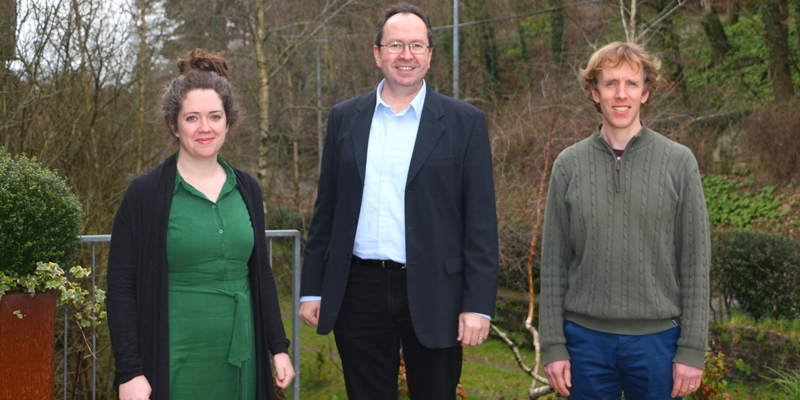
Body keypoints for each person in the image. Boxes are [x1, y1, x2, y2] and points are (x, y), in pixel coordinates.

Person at [298, 3, 499, 399]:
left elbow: (480, 222)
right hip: (359, 290)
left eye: (416, 45)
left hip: (436, 290)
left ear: (429, 55)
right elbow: (327, 210)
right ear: (377, 54)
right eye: (395, 45)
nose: (405, 55)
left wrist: (478, 304)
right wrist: (312, 288)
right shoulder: (344, 118)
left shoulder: (465, 123)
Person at [107, 49, 294, 400]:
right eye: (192, 118)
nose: (205, 128)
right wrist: (130, 371)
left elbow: (261, 275)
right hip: (175, 358)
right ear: (173, 125)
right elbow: (120, 287)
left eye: (214, 116)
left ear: (228, 122)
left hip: (242, 356)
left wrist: (278, 347)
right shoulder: (145, 194)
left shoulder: (248, 188)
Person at [539, 41, 710, 399]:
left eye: (631, 83)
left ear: (645, 92)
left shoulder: (679, 162)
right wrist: (554, 345)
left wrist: (692, 349)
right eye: (610, 83)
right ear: (594, 91)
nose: (621, 94)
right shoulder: (568, 165)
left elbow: (695, 263)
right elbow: (553, 263)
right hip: (584, 343)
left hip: (658, 343)